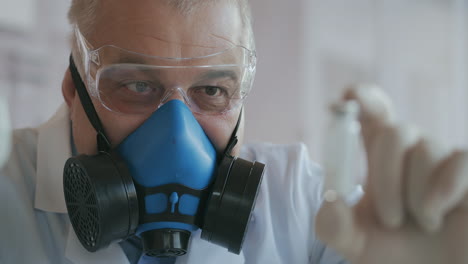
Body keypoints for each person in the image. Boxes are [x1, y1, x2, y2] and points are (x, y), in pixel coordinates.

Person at [1, 0, 468, 263]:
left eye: (212, 90)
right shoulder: (7, 193)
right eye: (137, 85)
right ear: (72, 88)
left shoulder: (304, 205)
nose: (176, 135)